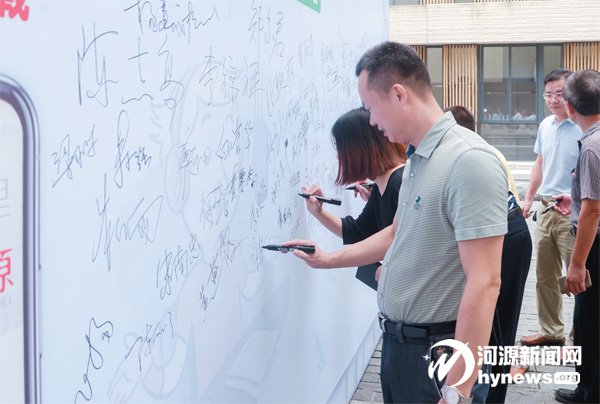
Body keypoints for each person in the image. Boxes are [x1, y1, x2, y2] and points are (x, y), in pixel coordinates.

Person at [283, 42, 507, 403]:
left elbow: (485, 282)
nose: (372, 121)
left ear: (399, 95)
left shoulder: (468, 160)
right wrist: (326, 259)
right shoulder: (418, 159)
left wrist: (458, 389)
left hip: (438, 354)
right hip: (403, 347)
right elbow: (394, 232)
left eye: (372, 108)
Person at [444, 106, 532, 403]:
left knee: (500, 325)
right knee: (489, 322)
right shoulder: (467, 153)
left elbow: (508, 207)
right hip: (503, 234)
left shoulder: (479, 158)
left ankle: (494, 393)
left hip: (509, 239)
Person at [302, 107, 406, 288]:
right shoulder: (381, 186)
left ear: (359, 149)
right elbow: (358, 232)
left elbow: (406, 244)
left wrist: (326, 259)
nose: (338, 157)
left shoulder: (399, 184)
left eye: (341, 148)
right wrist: (318, 212)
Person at [520, 69, 583, 347]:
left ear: (571, 94)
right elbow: (540, 163)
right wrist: (528, 198)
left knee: (579, 277)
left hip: (573, 212)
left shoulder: (583, 126)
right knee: (544, 275)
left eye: (559, 94)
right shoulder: (545, 125)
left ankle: (581, 337)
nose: (554, 100)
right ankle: (551, 331)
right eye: (548, 95)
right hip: (546, 208)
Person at [551, 69, 600, 404]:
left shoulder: (591, 147)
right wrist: (577, 200)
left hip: (594, 247)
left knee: (589, 324)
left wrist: (577, 265)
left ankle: (589, 394)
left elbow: (593, 213)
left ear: (569, 107)